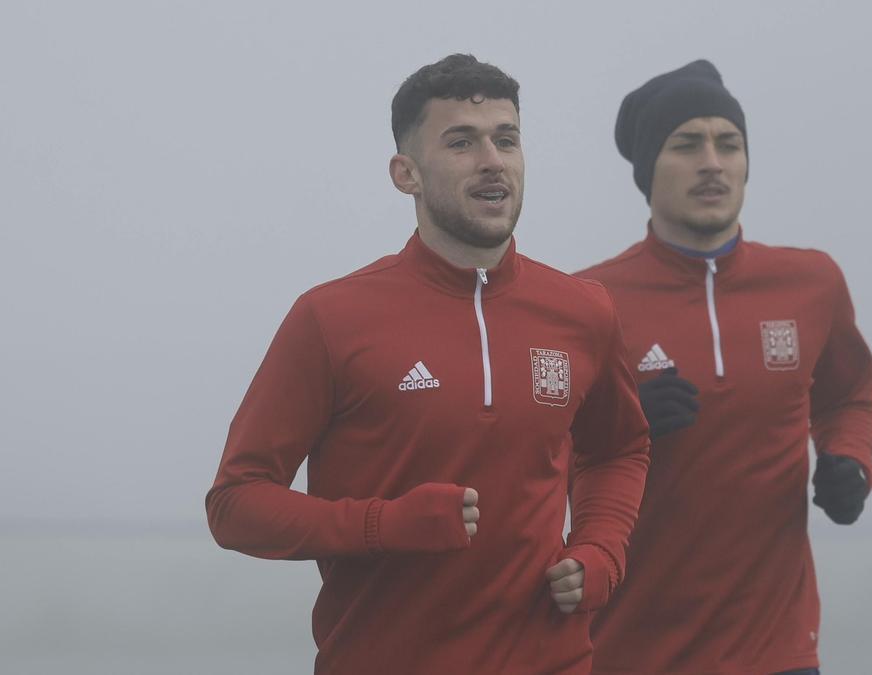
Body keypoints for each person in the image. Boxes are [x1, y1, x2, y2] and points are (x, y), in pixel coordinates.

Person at [206, 54, 650, 675]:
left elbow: (618, 451)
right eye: (462, 142)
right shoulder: (330, 318)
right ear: (405, 173)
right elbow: (235, 505)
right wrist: (383, 524)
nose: (493, 159)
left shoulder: (584, 311)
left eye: (507, 139)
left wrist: (601, 550)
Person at [576, 60, 872, 675]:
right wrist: (620, 423)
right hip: (630, 651)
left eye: (729, 143)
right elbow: (534, 454)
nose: (712, 161)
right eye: (687, 144)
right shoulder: (589, 304)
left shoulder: (811, 282)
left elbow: (849, 395)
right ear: (647, 171)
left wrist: (851, 462)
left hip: (779, 651)